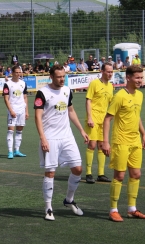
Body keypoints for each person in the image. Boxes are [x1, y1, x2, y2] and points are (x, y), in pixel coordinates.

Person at [34, 64, 89, 221]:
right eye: (58, 76)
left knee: (78, 169)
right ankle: (48, 208)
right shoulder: (42, 93)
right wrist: (43, 138)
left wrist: (81, 130)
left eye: (63, 76)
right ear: (51, 76)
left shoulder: (67, 90)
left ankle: (69, 200)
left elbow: (70, 111)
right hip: (50, 137)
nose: (61, 79)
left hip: (67, 137)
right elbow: (38, 116)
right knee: (50, 173)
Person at [102, 65, 145, 222]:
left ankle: (132, 209)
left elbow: (137, 116)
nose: (140, 80)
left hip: (135, 141)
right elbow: (107, 119)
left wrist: (143, 133)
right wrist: (105, 142)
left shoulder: (140, 95)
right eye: (137, 77)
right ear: (128, 78)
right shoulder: (120, 96)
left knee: (136, 174)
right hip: (121, 141)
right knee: (120, 176)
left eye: (141, 77)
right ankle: (113, 210)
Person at [84, 63, 114, 184]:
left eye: (111, 72)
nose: (110, 74)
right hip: (94, 118)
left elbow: (111, 103)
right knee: (92, 145)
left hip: (104, 120)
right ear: (102, 71)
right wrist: (90, 117)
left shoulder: (111, 86)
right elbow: (88, 100)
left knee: (102, 146)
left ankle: (100, 174)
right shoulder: (94, 83)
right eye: (108, 71)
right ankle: (88, 173)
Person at [3, 65, 28, 159]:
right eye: (16, 72)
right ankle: (10, 151)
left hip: (22, 109)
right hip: (12, 109)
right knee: (10, 131)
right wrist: (11, 110)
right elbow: (6, 99)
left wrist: (26, 111)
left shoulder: (23, 83)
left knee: (19, 131)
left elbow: (25, 97)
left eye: (19, 72)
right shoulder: (8, 84)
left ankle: (17, 150)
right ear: (12, 73)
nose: (18, 74)